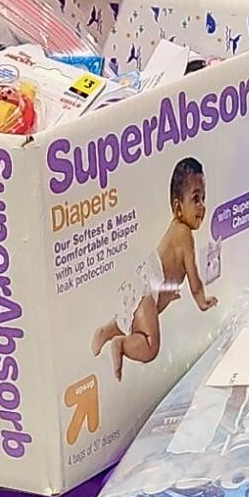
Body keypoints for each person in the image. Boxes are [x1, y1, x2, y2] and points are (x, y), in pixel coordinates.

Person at [91, 157, 218, 381]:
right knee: (150, 346)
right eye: (196, 198)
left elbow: (167, 268)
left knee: (130, 318)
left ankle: (105, 331)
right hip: (146, 293)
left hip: (143, 286)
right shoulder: (184, 234)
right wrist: (201, 301)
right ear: (178, 207)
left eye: (204, 199)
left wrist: (167, 295)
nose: (202, 206)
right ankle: (120, 345)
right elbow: (193, 275)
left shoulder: (175, 228)